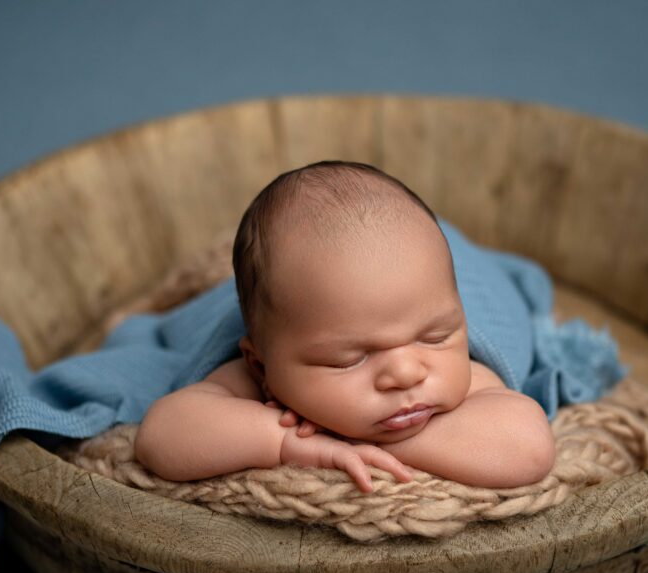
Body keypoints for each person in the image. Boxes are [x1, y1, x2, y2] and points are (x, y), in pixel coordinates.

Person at [134, 161, 556, 493]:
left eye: (435, 336)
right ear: (261, 368)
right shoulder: (257, 376)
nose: (407, 373)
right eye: (348, 359)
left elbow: (527, 448)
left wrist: (355, 439)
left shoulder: (461, 370)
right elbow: (161, 437)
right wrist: (286, 443)